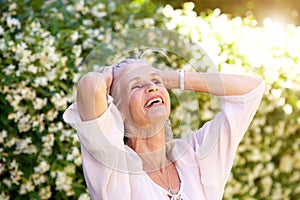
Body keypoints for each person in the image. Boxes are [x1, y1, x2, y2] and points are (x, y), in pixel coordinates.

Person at [63, 58, 265, 200]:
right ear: (118, 112)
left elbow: (250, 90)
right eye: (136, 86)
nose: (152, 87)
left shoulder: (196, 155)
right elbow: (90, 85)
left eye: (156, 82)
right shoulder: (114, 167)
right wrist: (110, 75)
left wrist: (171, 78)